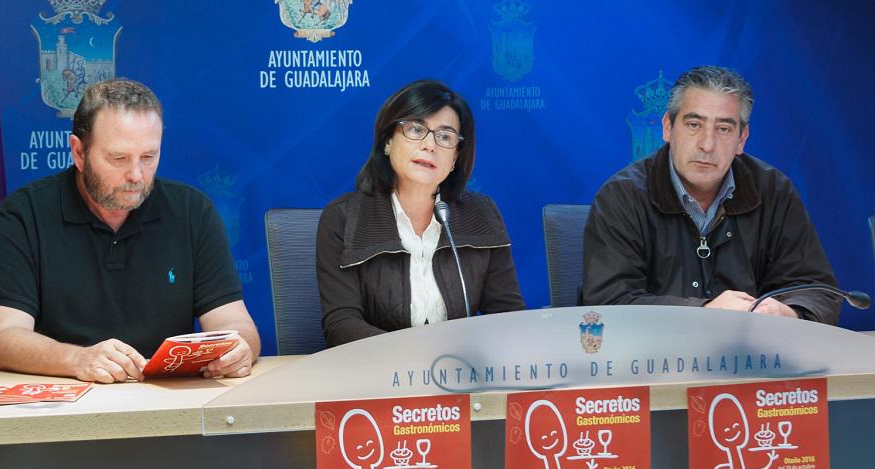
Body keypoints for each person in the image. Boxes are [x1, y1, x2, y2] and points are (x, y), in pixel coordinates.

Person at [0, 79, 259, 383]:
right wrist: (76, 359)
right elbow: (1, 337)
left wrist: (239, 349)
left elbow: (234, 320)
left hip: (167, 399)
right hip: (64, 397)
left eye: (148, 157)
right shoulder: (23, 215)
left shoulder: (193, 212)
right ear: (78, 152)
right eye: (118, 158)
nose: (136, 175)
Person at [582, 66, 840, 324]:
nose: (707, 144)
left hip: (750, 348)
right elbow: (608, 303)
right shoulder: (622, 197)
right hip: (655, 350)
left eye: (724, 129)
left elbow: (817, 290)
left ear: (742, 139)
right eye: (694, 125)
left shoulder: (774, 191)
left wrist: (788, 312)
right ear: (668, 128)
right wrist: (703, 312)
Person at [315, 80, 525, 347]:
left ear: (455, 158)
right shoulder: (344, 219)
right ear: (388, 141)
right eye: (416, 129)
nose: (430, 145)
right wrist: (416, 356)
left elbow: (508, 316)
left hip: (458, 367)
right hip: (378, 368)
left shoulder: (482, 214)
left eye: (445, 136)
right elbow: (341, 324)